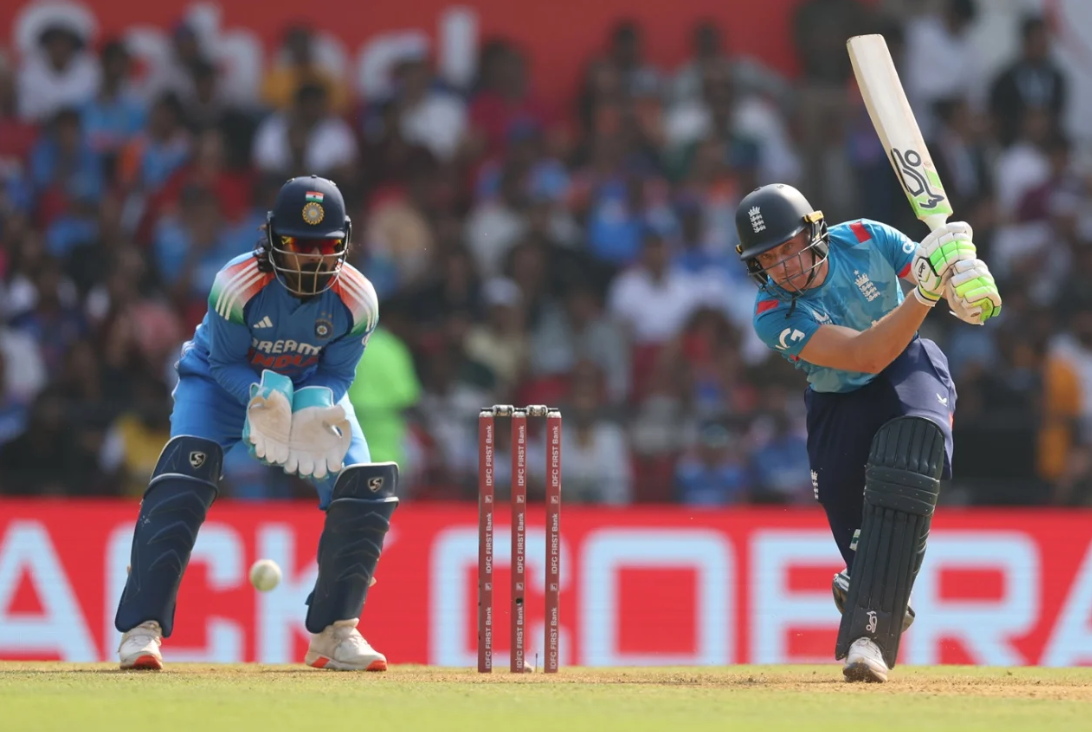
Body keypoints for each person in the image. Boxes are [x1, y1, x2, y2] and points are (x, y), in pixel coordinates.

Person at [114, 175, 397, 672]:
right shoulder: (236, 284)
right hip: (221, 386)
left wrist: (310, 404)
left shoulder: (359, 300)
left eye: (325, 247)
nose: (312, 259)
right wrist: (265, 398)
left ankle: (336, 633)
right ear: (271, 239)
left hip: (309, 390)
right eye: (298, 245)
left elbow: (338, 371)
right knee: (186, 473)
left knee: (363, 486)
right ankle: (142, 629)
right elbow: (222, 363)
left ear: (345, 243)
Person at [736, 183, 1001, 682]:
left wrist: (962, 282)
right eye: (769, 259)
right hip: (838, 403)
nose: (785, 267)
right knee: (866, 542)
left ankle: (867, 640)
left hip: (908, 372)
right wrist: (925, 291)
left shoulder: (865, 237)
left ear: (813, 232)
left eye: (790, 248)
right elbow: (863, 355)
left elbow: (932, 282)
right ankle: (872, 590)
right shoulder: (772, 314)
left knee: (910, 460)